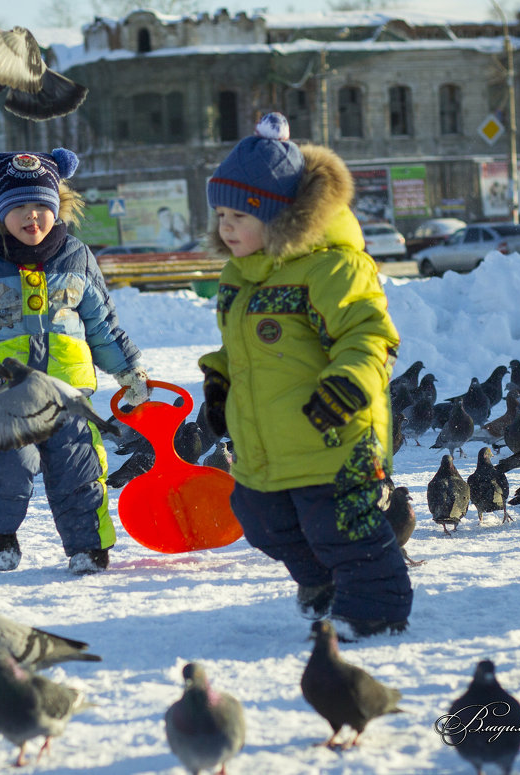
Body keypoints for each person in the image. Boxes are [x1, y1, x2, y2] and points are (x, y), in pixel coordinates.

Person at [197, 113, 412, 640]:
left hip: (332, 429)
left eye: (240, 215)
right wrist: (220, 381)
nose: (226, 227)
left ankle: (375, 610)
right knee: (261, 518)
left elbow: (369, 338)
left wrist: (346, 385)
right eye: (220, 214)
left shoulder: (334, 268)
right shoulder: (237, 275)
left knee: (340, 529)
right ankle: (321, 581)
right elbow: (238, 347)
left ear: (279, 217)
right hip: (266, 441)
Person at [0, 146, 150, 575]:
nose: (32, 217)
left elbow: (102, 324)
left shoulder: (76, 256)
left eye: (41, 206)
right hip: (2, 398)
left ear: (57, 207)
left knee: (80, 470)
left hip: (69, 395)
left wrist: (128, 368)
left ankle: (88, 547)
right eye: (19, 207)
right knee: (6, 469)